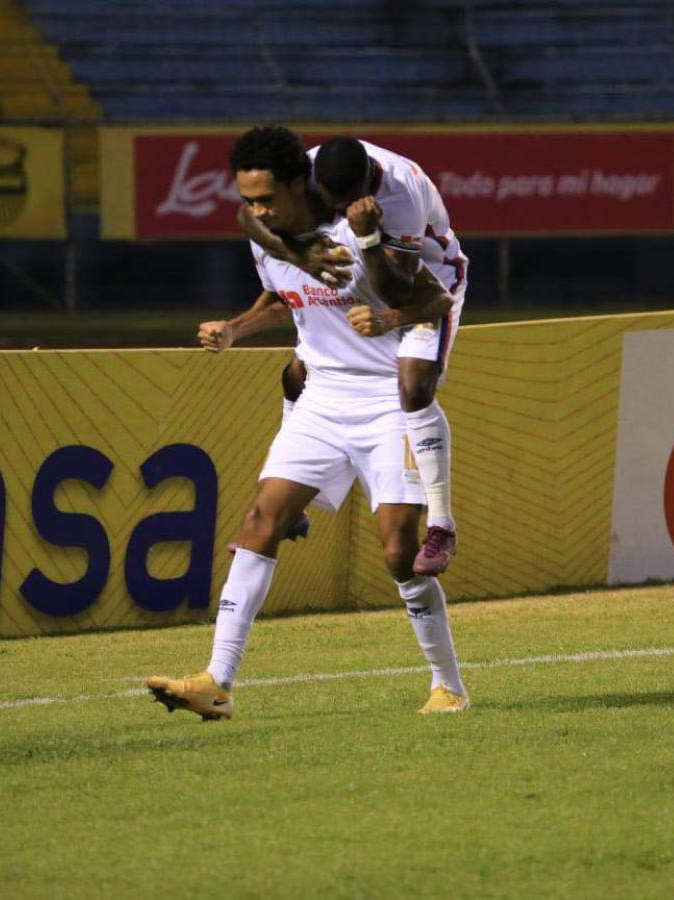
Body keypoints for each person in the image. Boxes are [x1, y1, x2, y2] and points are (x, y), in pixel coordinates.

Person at [147, 125, 470, 720]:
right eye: (247, 201)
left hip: (383, 401)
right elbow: (281, 300)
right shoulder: (268, 238)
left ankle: (448, 685)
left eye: (265, 199)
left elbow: (434, 299)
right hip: (322, 397)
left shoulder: (365, 225)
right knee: (260, 519)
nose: (254, 212)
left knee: (400, 553)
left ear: (305, 185)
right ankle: (216, 679)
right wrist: (236, 328)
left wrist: (391, 306)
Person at [239, 136, 467, 576]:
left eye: (348, 205)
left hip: (431, 283)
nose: (340, 213)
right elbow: (247, 217)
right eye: (333, 205)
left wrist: (365, 235)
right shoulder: (302, 172)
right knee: (298, 374)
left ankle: (441, 525)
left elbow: (400, 290)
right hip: (361, 276)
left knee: (413, 384)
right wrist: (300, 256)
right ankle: (296, 501)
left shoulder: (401, 192)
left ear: (367, 187)